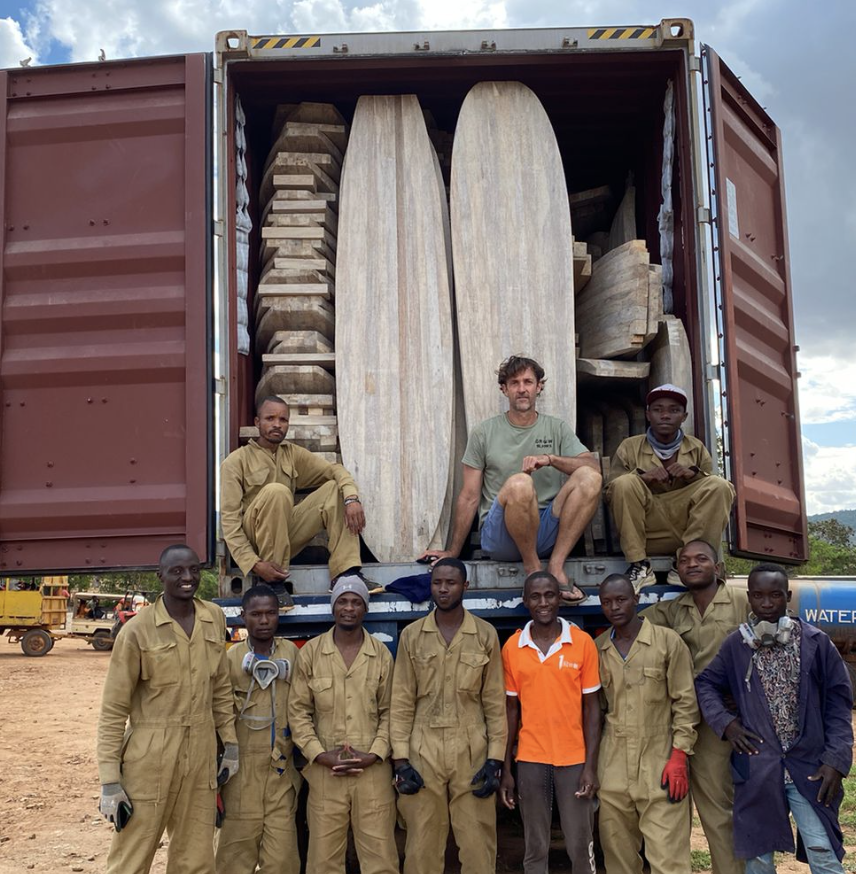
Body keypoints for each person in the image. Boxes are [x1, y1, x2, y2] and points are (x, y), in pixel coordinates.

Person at [696, 564, 854, 874]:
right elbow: (706, 684)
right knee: (758, 857)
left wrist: (835, 760)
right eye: (758, 596)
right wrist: (726, 723)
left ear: (788, 597)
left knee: (821, 850)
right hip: (757, 768)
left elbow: (838, 704)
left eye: (775, 595)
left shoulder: (816, 642)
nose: (766, 604)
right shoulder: (736, 646)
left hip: (810, 769)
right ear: (750, 599)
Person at [96, 544, 238, 874]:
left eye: (193, 570)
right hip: (149, 756)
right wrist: (110, 782)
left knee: (196, 858)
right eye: (177, 571)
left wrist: (229, 744)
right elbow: (114, 710)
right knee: (131, 857)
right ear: (161, 576)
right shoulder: (137, 630)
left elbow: (220, 689)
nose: (187, 578)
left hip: (201, 753)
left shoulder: (212, 618)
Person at [420, 355, 602, 603]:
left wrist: (550, 459)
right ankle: (533, 571)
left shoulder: (556, 428)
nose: (522, 389)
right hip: (501, 537)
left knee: (589, 477)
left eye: (528, 382)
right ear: (504, 389)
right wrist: (453, 551)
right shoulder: (484, 432)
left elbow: (592, 466)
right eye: (514, 383)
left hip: (545, 530)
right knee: (520, 483)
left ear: (539, 386)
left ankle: (556, 568)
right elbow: (469, 496)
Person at [390, 558, 507, 874]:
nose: (443, 589)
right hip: (422, 748)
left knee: (477, 843)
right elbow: (401, 702)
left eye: (450, 583)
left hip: (472, 750)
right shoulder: (413, 636)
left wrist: (495, 760)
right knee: (422, 844)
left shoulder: (485, 635)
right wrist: (401, 761)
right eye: (437, 583)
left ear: (465, 587)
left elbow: (494, 702)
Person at [642, 539, 748, 874]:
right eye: (684, 560)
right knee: (672, 809)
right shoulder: (673, 611)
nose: (692, 564)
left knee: (717, 810)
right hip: (684, 720)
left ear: (718, 568)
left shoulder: (743, 602)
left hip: (721, 724)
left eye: (701, 558)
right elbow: (629, 619)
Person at [221, 396, 380, 607]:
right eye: (270, 418)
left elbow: (334, 470)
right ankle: (272, 582)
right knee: (277, 492)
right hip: (256, 541)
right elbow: (230, 524)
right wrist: (255, 564)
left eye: (283, 419)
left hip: (286, 536)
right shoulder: (236, 462)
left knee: (334, 488)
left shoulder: (292, 454)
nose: (277, 424)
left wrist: (351, 498)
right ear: (257, 422)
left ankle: (346, 573)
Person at [287, 577, 398, 874]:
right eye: (343, 601)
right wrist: (320, 755)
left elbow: (393, 712)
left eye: (356, 602)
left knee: (380, 859)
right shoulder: (310, 653)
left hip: (372, 774)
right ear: (333, 606)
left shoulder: (380, 655)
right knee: (323, 860)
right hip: (325, 774)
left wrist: (374, 754)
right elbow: (298, 712)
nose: (349, 608)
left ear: (365, 608)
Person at [596, 573, 699, 874]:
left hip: (660, 765)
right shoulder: (598, 647)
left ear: (636, 600)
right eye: (607, 602)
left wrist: (680, 755)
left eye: (621, 599)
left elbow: (685, 701)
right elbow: (595, 712)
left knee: (668, 861)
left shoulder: (667, 642)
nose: (614, 607)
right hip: (612, 767)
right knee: (618, 859)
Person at [499, 571, 601, 874]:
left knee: (580, 845)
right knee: (535, 847)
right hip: (531, 757)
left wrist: (590, 766)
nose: (543, 602)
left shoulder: (581, 643)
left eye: (550, 595)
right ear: (525, 601)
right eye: (535, 596)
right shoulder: (513, 648)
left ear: (559, 598)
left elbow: (592, 709)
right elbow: (511, 711)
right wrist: (506, 768)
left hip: (574, 758)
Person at [605, 384, 735, 590]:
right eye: (658, 410)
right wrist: (642, 478)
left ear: (684, 416)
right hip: (648, 531)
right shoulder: (629, 446)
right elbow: (610, 492)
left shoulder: (697, 448)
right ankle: (639, 566)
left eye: (674, 410)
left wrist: (694, 476)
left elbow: (713, 495)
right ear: (648, 414)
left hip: (687, 530)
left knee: (720, 485)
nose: (665, 415)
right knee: (624, 483)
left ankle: (686, 562)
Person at [216, 584, 301, 874]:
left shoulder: (292, 653)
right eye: (256, 614)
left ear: (279, 616)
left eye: (270, 614)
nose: (264, 621)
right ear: (243, 617)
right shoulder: (230, 659)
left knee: (282, 861)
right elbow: (221, 712)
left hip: (280, 771)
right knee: (234, 858)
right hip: (240, 773)